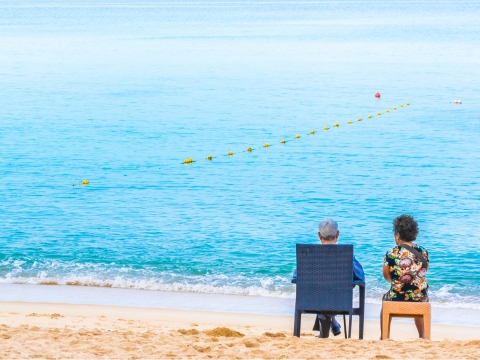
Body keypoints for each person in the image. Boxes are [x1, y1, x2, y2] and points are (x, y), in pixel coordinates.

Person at [292, 218, 365, 338]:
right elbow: (360, 277)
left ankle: (331, 325)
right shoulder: (347, 256)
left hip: (313, 301)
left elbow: (296, 277)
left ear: (319, 235)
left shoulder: (309, 256)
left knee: (322, 289)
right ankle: (333, 323)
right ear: (338, 234)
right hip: (340, 301)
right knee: (329, 291)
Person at [381, 214, 429, 338]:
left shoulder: (391, 253)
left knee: (385, 301)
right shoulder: (423, 252)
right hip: (420, 297)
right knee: (418, 292)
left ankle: (384, 336)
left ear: (398, 236)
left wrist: (397, 282)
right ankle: (423, 335)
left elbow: (386, 275)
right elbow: (423, 272)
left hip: (396, 296)